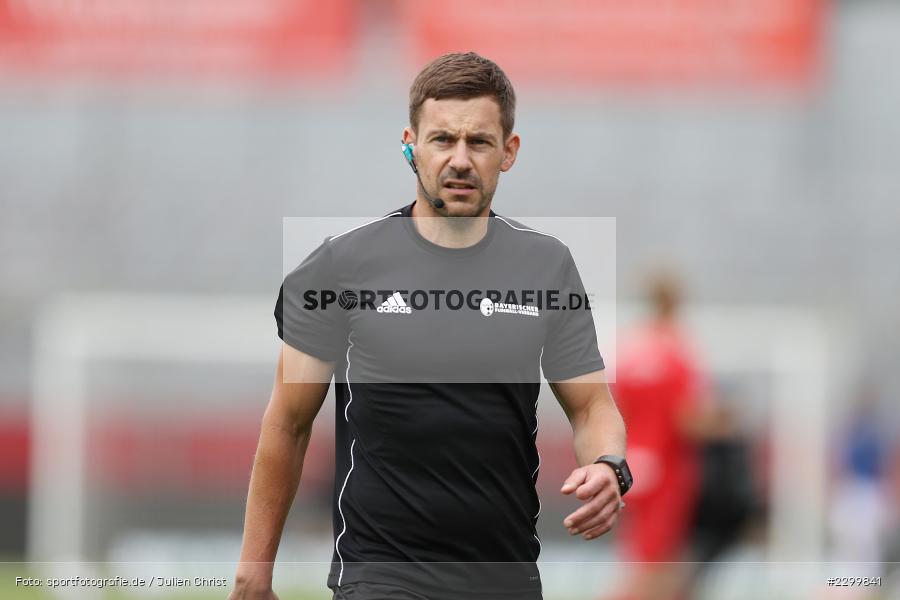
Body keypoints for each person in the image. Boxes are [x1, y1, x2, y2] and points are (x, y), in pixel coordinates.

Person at [229, 52, 629, 600]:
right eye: (442, 140)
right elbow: (288, 425)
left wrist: (608, 464)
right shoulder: (340, 267)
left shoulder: (547, 267)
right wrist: (255, 568)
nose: (460, 160)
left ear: (508, 152)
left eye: (479, 142)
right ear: (410, 144)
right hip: (380, 577)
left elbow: (590, 406)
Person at [605, 272, 727, 600]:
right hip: (669, 468)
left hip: (634, 465)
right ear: (676, 302)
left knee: (647, 559)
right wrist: (723, 423)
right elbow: (687, 419)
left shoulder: (629, 351)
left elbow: (615, 409)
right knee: (655, 569)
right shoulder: (678, 351)